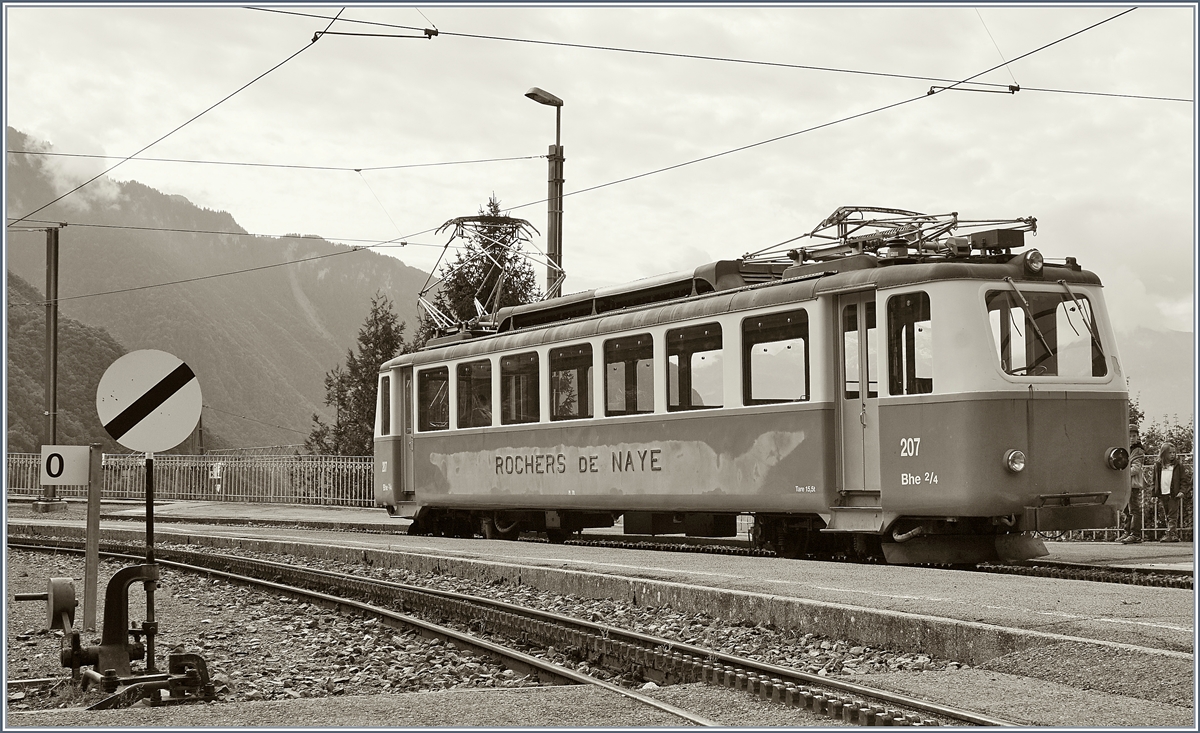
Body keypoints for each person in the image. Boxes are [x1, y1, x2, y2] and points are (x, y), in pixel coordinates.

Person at [1151, 444, 1190, 543]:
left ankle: (1170, 533)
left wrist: (1182, 491)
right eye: (1170, 453)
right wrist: (1154, 494)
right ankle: (1172, 534)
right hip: (1163, 493)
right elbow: (1154, 480)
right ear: (1164, 453)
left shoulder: (1178, 465)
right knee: (1167, 514)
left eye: (1174, 452)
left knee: (1172, 515)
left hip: (1174, 494)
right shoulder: (1158, 465)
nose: (1172, 455)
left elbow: (1184, 480)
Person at [1120, 437, 1147, 543]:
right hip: (1126, 484)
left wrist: (1122, 473)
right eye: (1130, 435)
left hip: (1133, 484)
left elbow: (1136, 468)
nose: (1132, 438)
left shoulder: (1138, 451)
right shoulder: (1127, 449)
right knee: (1126, 509)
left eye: (1134, 436)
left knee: (1134, 509)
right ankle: (1127, 532)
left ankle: (1135, 534)